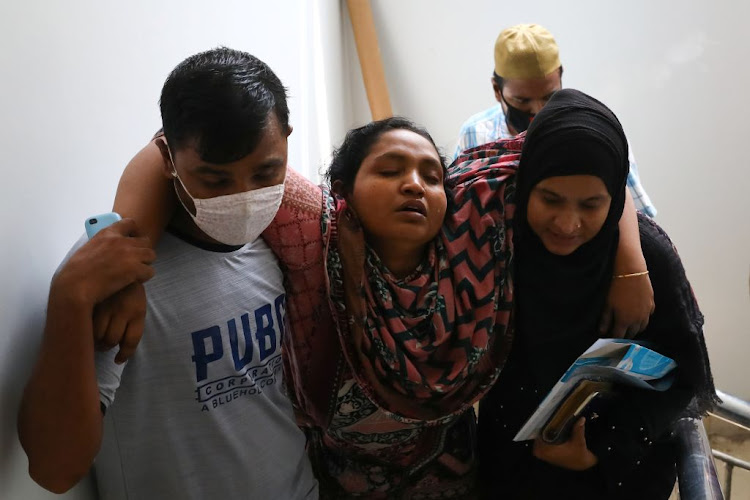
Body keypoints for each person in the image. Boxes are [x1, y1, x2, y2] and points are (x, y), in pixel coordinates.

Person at [108, 112, 654, 497]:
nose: (414, 185)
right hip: (336, 488)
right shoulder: (315, 237)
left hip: (461, 483)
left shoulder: (477, 230)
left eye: (431, 175)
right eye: (389, 170)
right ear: (344, 189)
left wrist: (631, 264)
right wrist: (124, 270)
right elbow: (163, 147)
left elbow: (592, 153)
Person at [17, 48, 318, 499]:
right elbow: (55, 470)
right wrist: (68, 301)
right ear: (167, 156)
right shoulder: (110, 274)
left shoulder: (285, 234)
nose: (245, 197)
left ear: (287, 141)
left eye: (265, 172)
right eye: (215, 181)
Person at [476, 89, 716, 499]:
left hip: (617, 475)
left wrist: (603, 449)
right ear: (527, 181)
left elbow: (681, 379)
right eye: (550, 199)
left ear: (615, 197)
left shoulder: (649, 258)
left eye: (592, 204)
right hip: (511, 465)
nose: (568, 223)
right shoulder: (494, 247)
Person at [455, 23, 657, 217]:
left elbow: (639, 220)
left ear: (561, 78)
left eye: (548, 97)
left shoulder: (595, 131)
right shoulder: (475, 134)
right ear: (497, 90)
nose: (538, 110)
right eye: (522, 101)